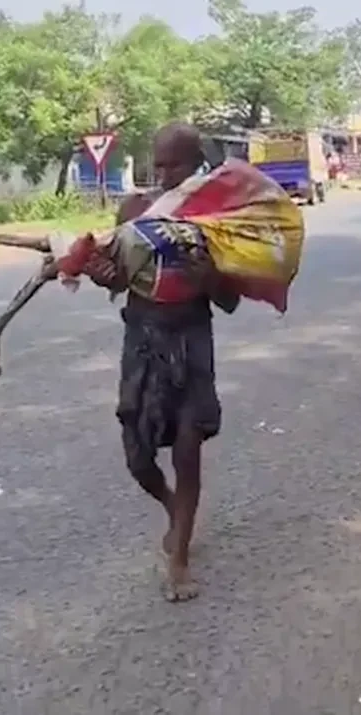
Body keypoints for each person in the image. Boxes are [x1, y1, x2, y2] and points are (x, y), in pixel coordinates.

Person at [82, 122, 240, 602]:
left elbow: (229, 300)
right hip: (142, 339)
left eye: (178, 164)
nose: (167, 173)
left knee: (188, 449)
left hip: (191, 337)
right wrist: (101, 273)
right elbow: (117, 279)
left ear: (199, 165)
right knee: (138, 456)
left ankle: (180, 560)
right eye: (160, 163)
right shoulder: (132, 210)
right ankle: (176, 511)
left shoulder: (216, 216)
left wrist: (209, 274)